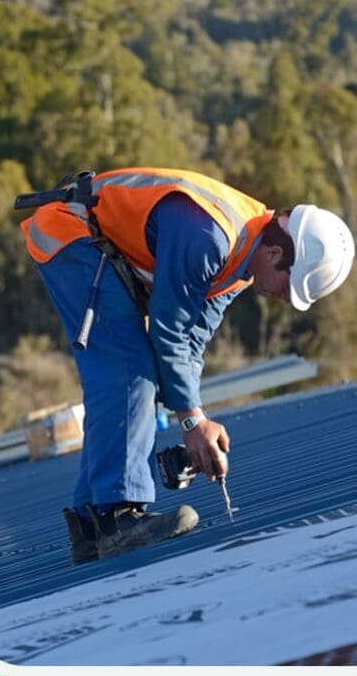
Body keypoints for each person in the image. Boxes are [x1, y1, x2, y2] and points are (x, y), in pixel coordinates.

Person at [21, 167, 354, 563]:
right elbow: (168, 332)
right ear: (276, 253)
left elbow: (190, 344)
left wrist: (196, 418)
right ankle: (117, 516)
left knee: (129, 371)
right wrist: (192, 421)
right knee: (128, 366)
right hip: (70, 230)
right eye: (289, 285)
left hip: (93, 240)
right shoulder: (209, 234)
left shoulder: (240, 267)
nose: (283, 298)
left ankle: (91, 525)